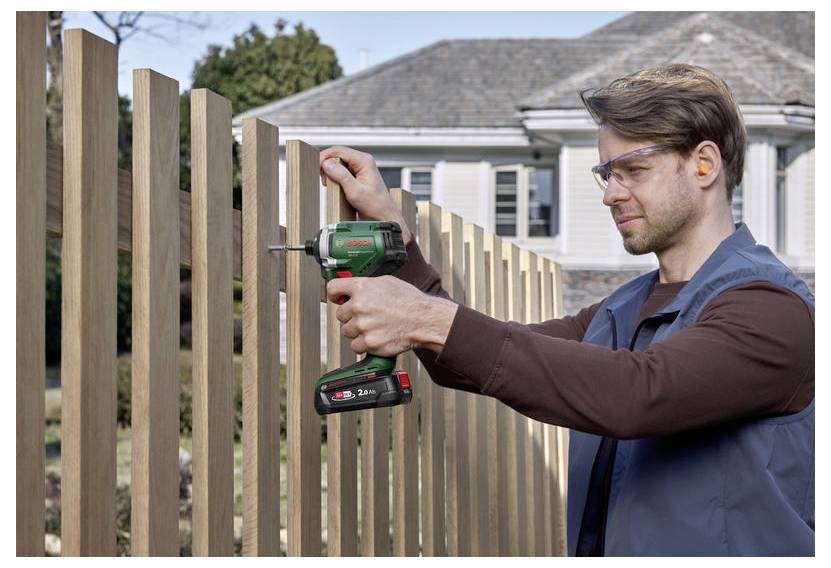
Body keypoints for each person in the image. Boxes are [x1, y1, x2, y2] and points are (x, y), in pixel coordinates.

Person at [318, 63, 814, 556]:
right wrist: (395, 238)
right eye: (606, 174)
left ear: (704, 164)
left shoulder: (773, 309)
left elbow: (637, 393)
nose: (612, 194)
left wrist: (426, 318)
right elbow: (478, 357)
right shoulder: (622, 310)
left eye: (634, 169)